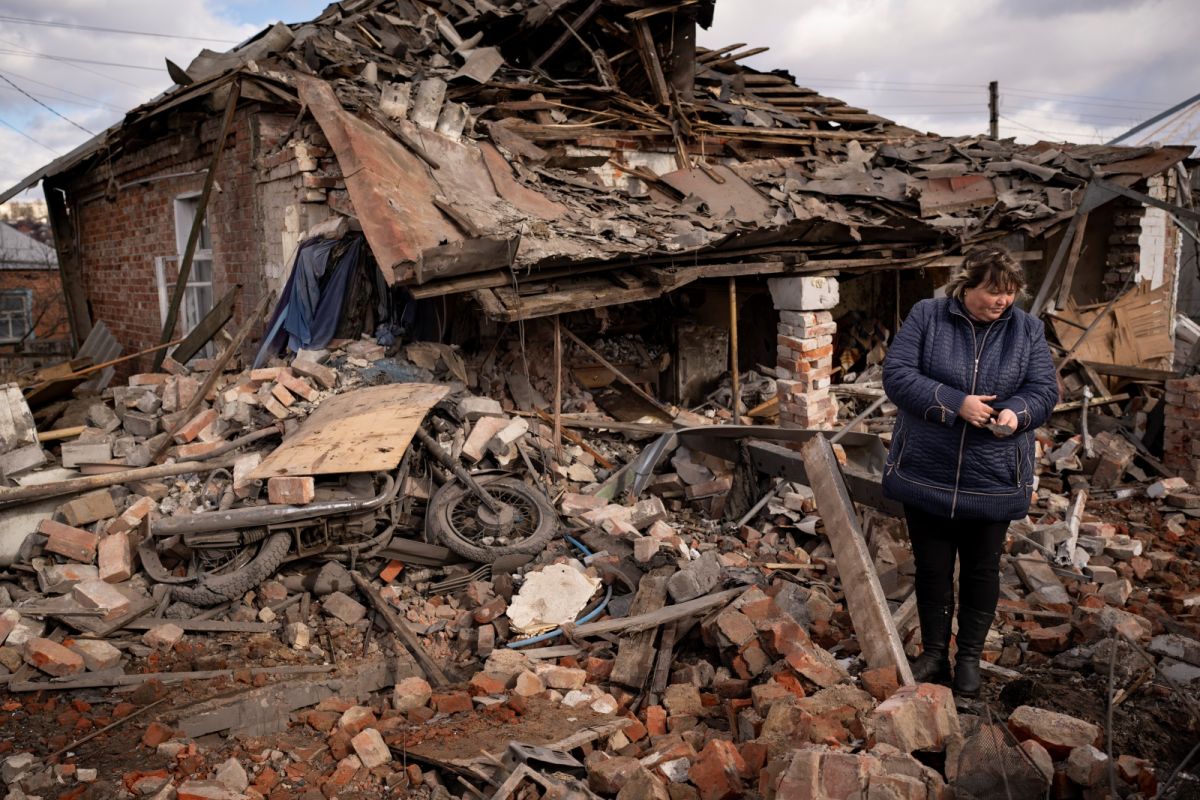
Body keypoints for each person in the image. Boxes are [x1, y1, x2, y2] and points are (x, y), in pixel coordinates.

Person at [881, 245, 1058, 697]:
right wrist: (955, 403)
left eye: (1009, 293)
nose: (1001, 301)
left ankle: (969, 661)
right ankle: (935, 654)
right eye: (991, 292)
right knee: (932, 569)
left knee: (982, 570)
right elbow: (897, 375)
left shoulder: (1027, 330)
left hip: (992, 474)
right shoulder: (928, 316)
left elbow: (1043, 389)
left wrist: (1018, 413)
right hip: (928, 468)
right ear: (966, 286)